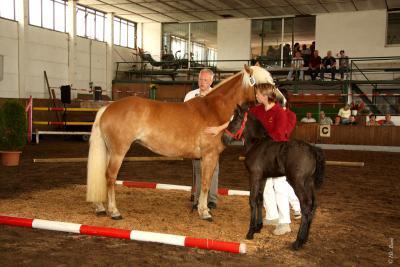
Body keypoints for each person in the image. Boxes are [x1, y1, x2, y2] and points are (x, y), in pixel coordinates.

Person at [205, 84, 300, 236]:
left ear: (265, 95)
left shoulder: (279, 113)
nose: (255, 96)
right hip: (263, 156)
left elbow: (279, 136)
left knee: (279, 186)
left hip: (277, 156)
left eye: (258, 94)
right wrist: (219, 129)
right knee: (266, 187)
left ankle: (285, 222)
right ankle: (272, 216)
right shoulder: (257, 110)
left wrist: (260, 144)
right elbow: (237, 118)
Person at [184, 68, 218, 209]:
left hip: (211, 137)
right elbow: (183, 115)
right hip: (194, 138)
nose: (202, 82)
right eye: (200, 79)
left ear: (211, 81)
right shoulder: (190, 95)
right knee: (198, 168)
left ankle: (212, 199)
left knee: (213, 169)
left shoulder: (216, 96)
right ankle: (197, 199)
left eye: (205, 80)